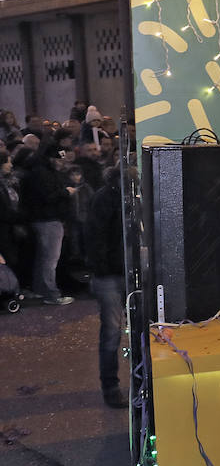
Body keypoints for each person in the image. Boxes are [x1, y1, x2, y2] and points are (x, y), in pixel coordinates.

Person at [84, 167, 127, 407]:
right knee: (111, 332)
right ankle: (110, 387)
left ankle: (113, 387)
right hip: (111, 272)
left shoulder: (117, 196)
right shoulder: (106, 198)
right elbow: (95, 235)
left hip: (116, 271)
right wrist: (101, 267)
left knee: (112, 331)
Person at [20, 142, 74, 305]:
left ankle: (40, 290)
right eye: (59, 160)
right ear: (51, 158)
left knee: (43, 258)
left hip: (43, 220)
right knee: (50, 259)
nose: (61, 163)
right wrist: (66, 192)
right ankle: (51, 294)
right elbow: (47, 197)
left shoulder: (38, 171)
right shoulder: (43, 174)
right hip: (48, 220)